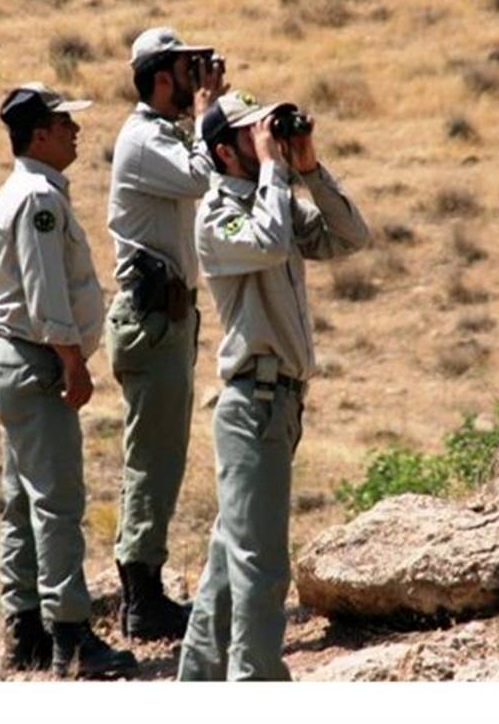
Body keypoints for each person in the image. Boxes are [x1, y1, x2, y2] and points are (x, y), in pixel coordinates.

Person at [177, 91, 371, 681]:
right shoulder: (218, 215)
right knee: (261, 569)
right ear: (224, 151)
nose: (266, 139)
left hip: (278, 404)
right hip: (252, 404)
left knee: (227, 563)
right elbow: (263, 242)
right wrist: (273, 172)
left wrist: (307, 168)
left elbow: (348, 237)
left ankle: (199, 682)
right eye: (251, 134)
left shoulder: (275, 201)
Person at [0, 81, 137, 680]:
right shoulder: (39, 198)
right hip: (37, 359)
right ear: (39, 134)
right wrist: (73, 360)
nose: (75, 131)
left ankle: (26, 637)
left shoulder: (19, 190)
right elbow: (46, 293)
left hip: (13, 358)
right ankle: (71, 638)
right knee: (58, 502)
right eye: (64, 122)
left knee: (22, 502)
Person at [105, 26, 227, 641]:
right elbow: (203, 176)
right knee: (153, 460)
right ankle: (142, 599)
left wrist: (206, 113)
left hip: (166, 320)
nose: (195, 78)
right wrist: (208, 115)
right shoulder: (144, 141)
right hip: (152, 321)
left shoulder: (162, 137)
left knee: (162, 456)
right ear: (160, 77)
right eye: (186, 69)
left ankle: (143, 589)